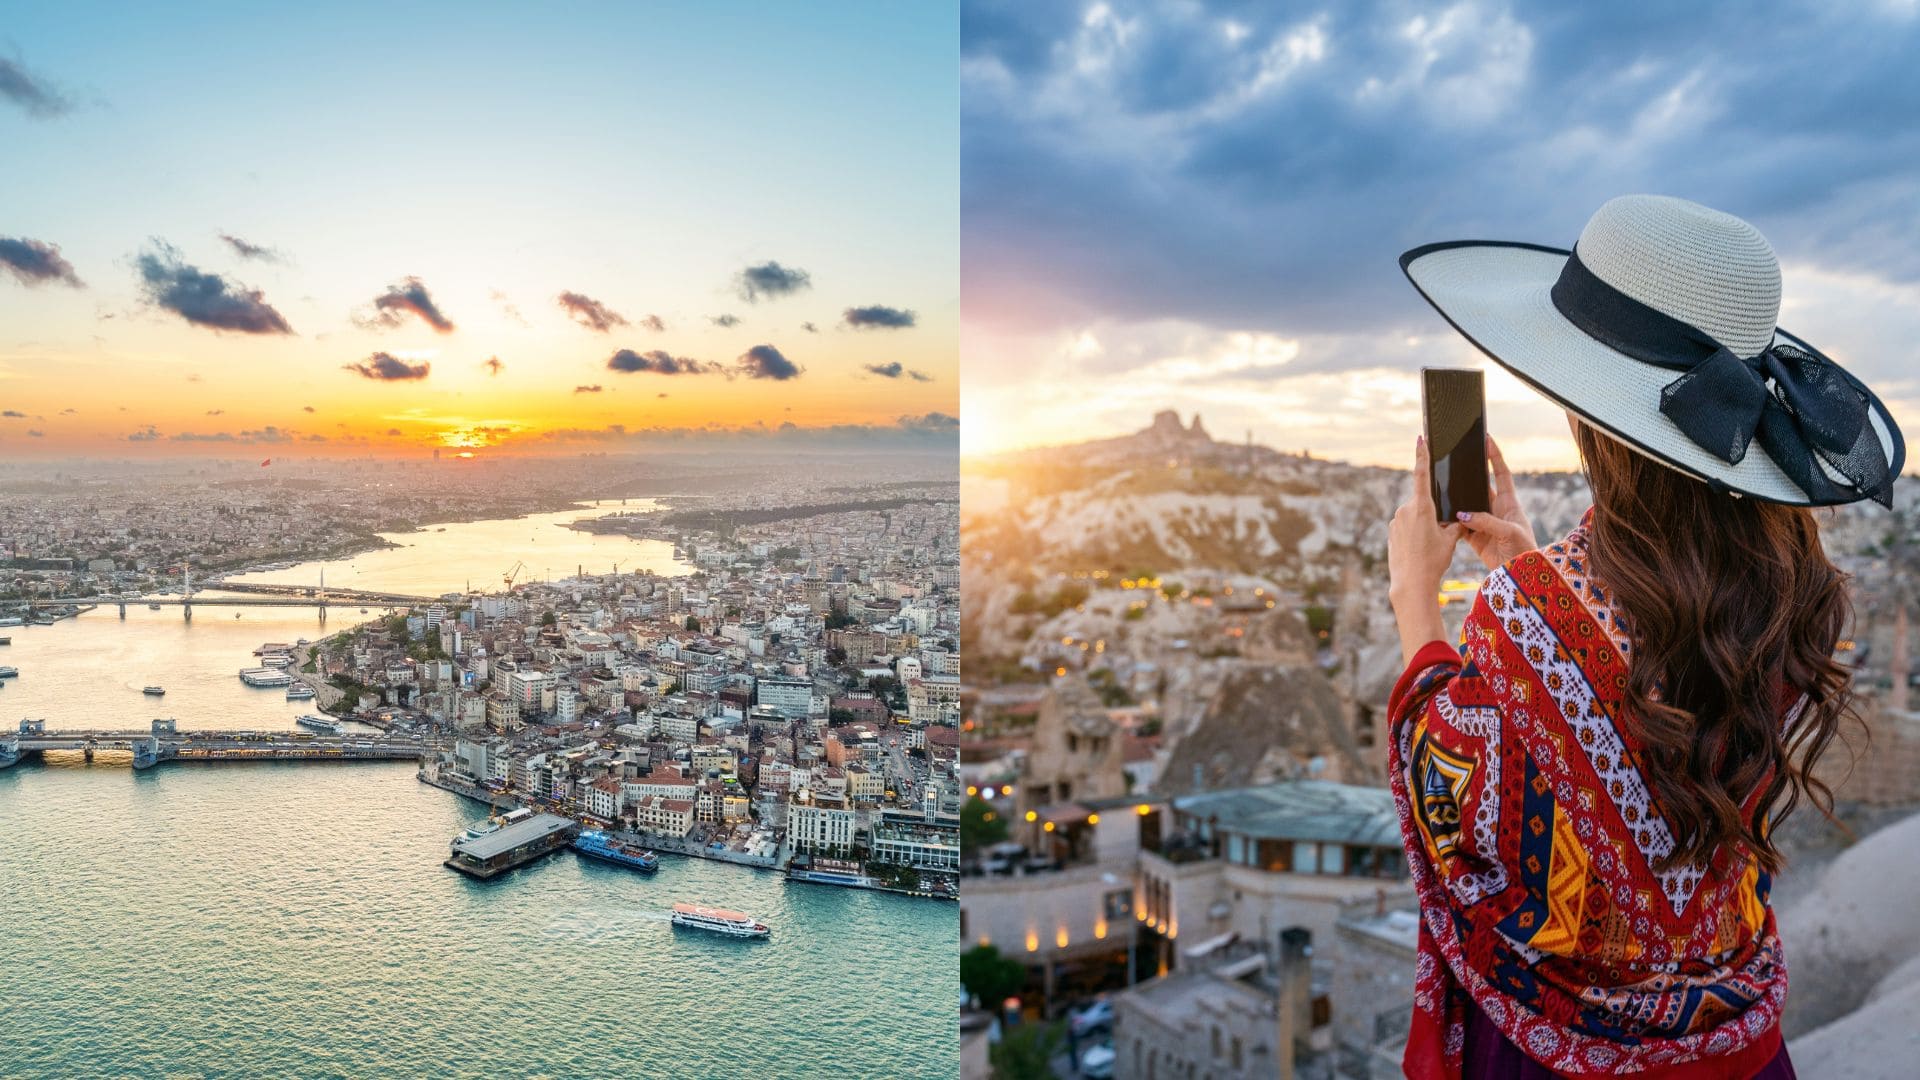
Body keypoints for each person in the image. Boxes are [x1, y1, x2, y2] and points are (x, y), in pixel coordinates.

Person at [1384, 195, 1904, 1078]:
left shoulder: (1531, 614)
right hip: (1740, 1040)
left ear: (1591, 412)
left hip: (1565, 1053)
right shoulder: (1793, 583)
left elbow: (1451, 815)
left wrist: (1415, 604)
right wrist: (1523, 561)